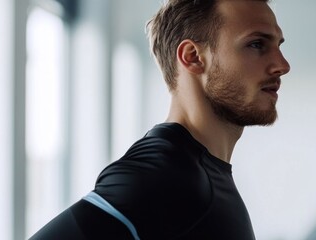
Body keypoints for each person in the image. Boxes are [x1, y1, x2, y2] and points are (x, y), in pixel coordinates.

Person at [30, 0, 290, 239]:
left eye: (278, 46)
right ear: (193, 57)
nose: (282, 64)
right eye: (257, 44)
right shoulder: (164, 175)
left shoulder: (198, 173)